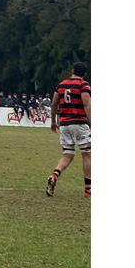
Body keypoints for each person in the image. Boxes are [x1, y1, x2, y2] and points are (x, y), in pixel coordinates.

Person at [46, 62, 91, 198]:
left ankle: (55, 175)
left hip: (64, 124)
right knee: (87, 154)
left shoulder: (61, 85)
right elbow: (87, 105)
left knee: (68, 154)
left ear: (72, 71)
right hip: (79, 123)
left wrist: (53, 121)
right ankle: (88, 190)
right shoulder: (84, 85)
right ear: (84, 74)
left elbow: (54, 104)